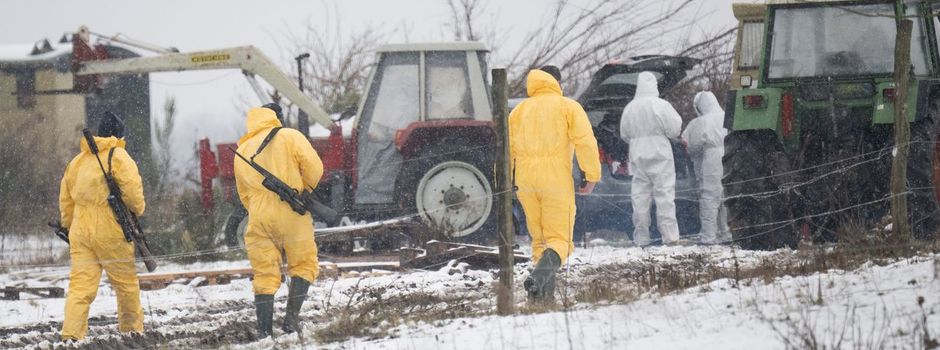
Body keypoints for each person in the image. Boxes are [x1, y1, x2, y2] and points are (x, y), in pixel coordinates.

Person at [509, 68, 601, 302]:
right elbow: (585, 142)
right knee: (561, 241)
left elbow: (506, 150)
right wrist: (591, 175)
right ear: (556, 82)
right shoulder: (567, 106)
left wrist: (507, 180)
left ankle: (541, 299)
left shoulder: (518, 112)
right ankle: (538, 278)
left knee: (539, 240)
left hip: (525, 181)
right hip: (555, 180)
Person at [234, 103, 323, 337]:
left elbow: (243, 193)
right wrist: (305, 190)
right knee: (303, 264)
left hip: (258, 217)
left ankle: (264, 332)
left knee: (264, 274)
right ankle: (291, 321)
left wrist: (259, 208)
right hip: (291, 212)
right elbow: (315, 168)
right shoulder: (290, 136)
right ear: (277, 118)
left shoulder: (242, 149)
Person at [59, 112, 145, 340]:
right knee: (125, 285)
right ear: (119, 134)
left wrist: (69, 227)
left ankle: (71, 337)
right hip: (111, 229)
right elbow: (134, 197)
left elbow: (66, 202)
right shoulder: (119, 157)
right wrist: (137, 211)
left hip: (79, 231)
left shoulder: (76, 162)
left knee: (80, 288)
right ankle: (132, 333)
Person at [619, 71, 683, 246]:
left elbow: (624, 134)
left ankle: (641, 238)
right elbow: (674, 129)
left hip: (637, 155)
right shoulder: (661, 105)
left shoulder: (630, 108)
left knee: (639, 198)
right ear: (654, 85)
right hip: (660, 155)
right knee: (665, 197)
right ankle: (670, 238)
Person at [682, 91, 732, 244]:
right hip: (730, 156)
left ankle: (708, 236)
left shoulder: (700, 122)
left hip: (711, 159)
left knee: (709, 197)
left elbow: (691, 146)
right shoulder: (728, 117)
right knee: (725, 197)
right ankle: (726, 233)